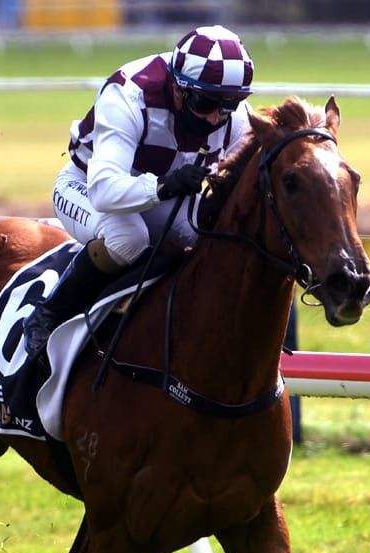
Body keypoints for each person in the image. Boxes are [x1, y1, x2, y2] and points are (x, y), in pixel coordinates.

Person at [23, 24, 256, 356]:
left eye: (228, 105)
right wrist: (164, 187)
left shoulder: (233, 117)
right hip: (86, 185)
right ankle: (48, 314)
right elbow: (104, 190)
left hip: (157, 196)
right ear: (177, 87)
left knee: (212, 239)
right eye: (205, 104)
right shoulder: (129, 94)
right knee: (129, 239)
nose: (216, 118)